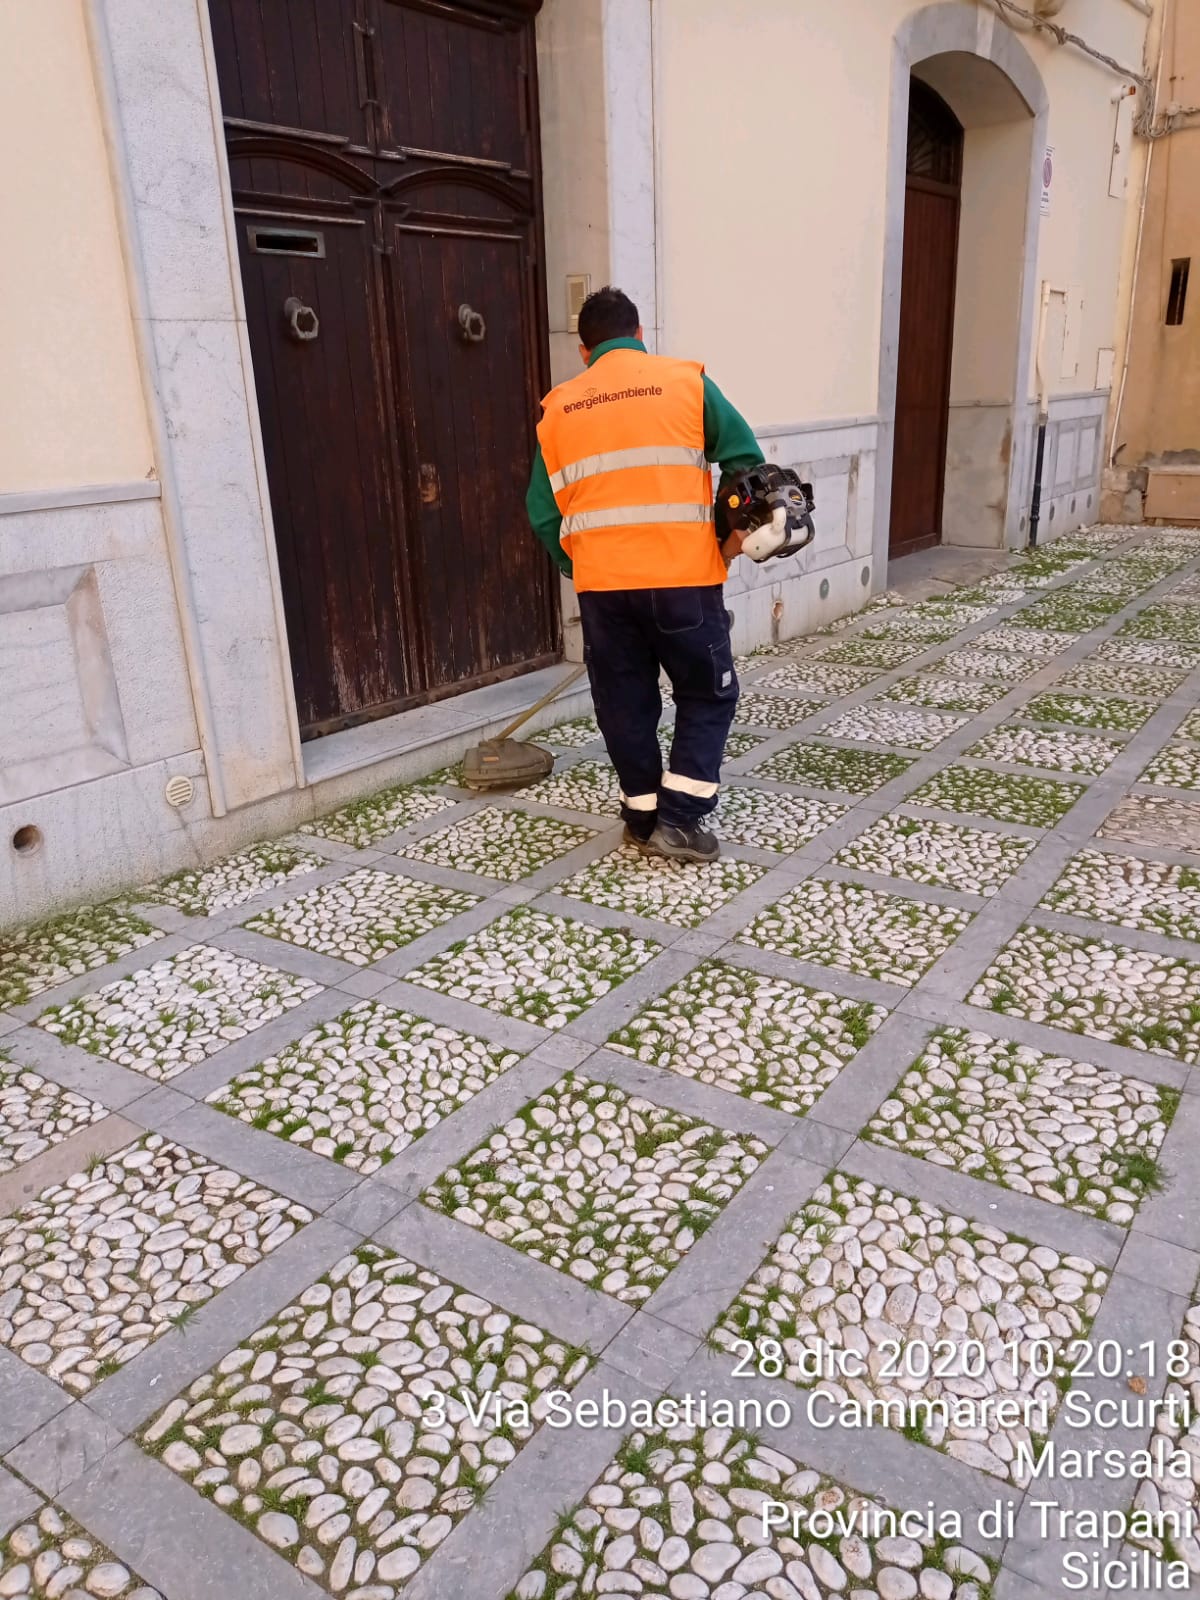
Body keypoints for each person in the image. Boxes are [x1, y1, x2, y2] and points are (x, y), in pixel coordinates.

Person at [526, 286, 764, 863]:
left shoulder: (559, 409)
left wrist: (578, 564)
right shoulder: (685, 383)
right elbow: (746, 465)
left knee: (624, 702)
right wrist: (728, 540)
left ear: (584, 351)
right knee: (706, 692)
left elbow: (543, 512)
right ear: (639, 335)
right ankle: (678, 821)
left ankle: (642, 817)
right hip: (684, 579)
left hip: (604, 589)